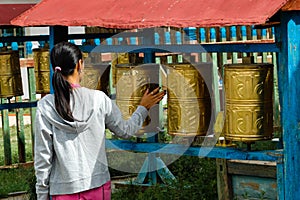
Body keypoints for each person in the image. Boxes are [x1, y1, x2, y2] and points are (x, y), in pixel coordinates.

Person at [34, 41, 165, 200]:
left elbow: (43, 158)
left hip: (63, 190)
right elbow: (125, 131)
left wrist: (42, 195)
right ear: (80, 65)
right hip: (98, 186)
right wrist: (143, 107)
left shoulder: (45, 106)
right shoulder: (99, 99)